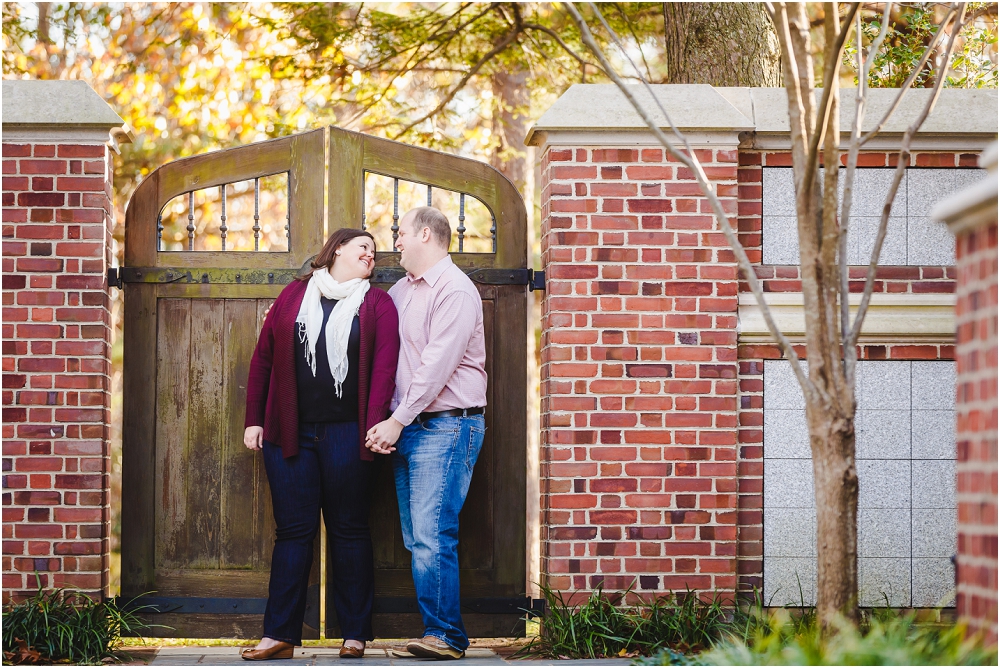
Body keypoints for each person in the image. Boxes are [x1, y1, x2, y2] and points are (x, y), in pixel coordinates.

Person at [241, 228, 400, 661]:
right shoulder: (294, 297)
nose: (371, 254)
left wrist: (375, 426)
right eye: (363, 247)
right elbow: (264, 359)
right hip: (290, 433)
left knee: (349, 531)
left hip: (349, 433)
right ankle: (279, 635)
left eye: (374, 251)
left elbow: (385, 369)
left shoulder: (377, 304)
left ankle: (355, 634)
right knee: (293, 533)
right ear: (336, 251)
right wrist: (254, 418)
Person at [366, 206, 488, 661]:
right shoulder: (399, 290)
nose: (394, 242)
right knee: (418, 537)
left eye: (399, 234)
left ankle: (446, 637)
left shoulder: (455, 289)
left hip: (448, 425)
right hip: (410, 427)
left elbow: (438, 365)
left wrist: (397, 420)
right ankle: (437, 632)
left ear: (424, 234)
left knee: (434, 533)